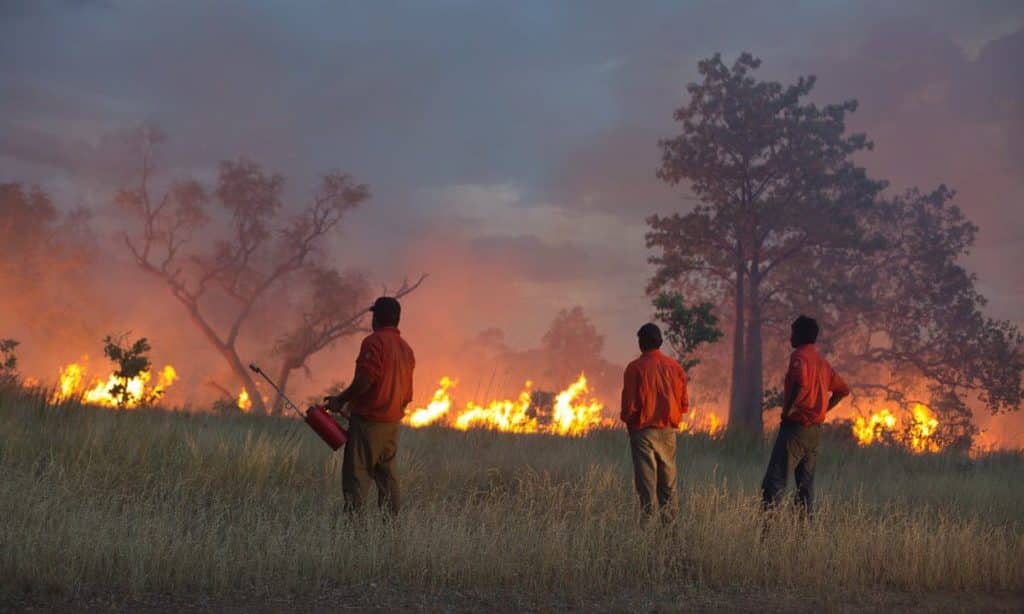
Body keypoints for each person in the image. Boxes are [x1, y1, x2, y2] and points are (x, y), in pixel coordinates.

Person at [325, 296, 415, 515]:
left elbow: (366, 379)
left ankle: (354, 536)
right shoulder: (406, 349)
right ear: (397, 319)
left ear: (377, 317)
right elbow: (406, 395)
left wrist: (341, 400)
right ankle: (389, 533)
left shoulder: (374, 342)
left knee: (357, 477)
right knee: (387, 480)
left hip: (369, 424)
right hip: (392, 425)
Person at [761, 315, 850, 517]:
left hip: (796, 429)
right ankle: (803, 537)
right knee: (805, 488)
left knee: (774, 483)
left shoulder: (799, 357)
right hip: (814, 433)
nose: (790, 337)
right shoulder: (822, 362)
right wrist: (823, 409)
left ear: (800, 335)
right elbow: (843, 390)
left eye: (793, 332)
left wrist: (789, 409)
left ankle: (765, 535)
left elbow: (801, 384)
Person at [620, 323, 689, 522]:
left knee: (646, 489)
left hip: (643, 434)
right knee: (668, 488)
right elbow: (684, 404)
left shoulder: (635, 368)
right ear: (659, 341)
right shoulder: (675, 367)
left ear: (641, 343)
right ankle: (670, 539)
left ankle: (648, 540)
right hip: (668, 433)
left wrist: (632, 426)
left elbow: (629, 408)